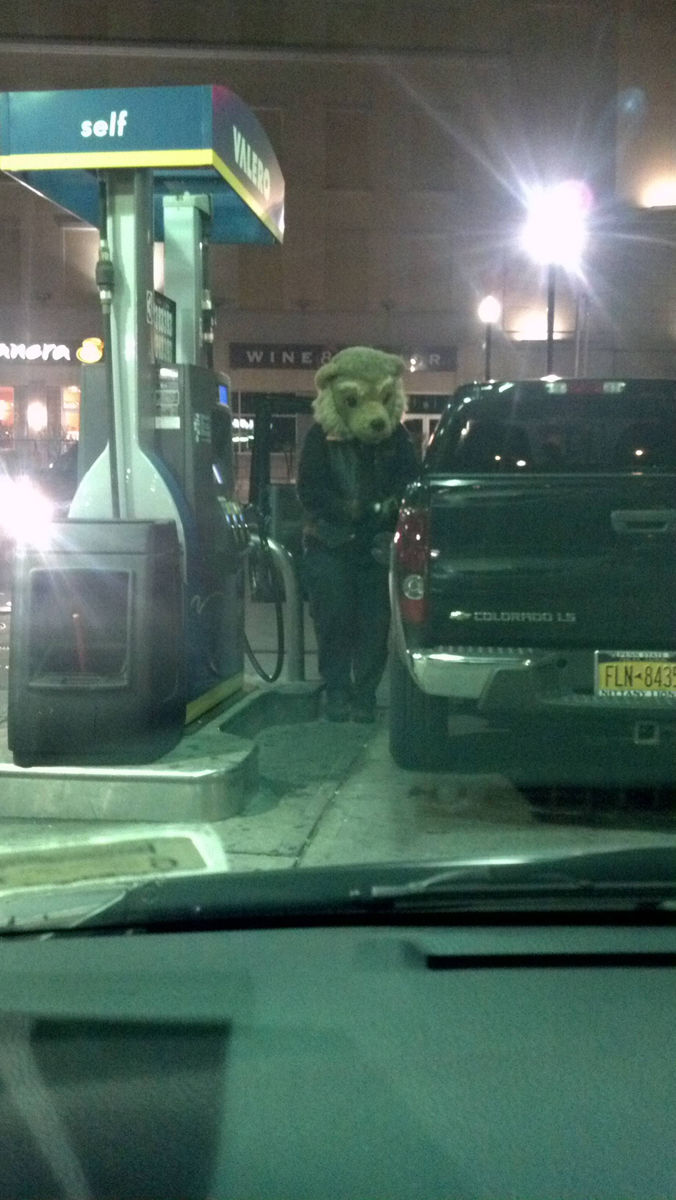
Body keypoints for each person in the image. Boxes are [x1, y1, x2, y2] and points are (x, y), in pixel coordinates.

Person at [297, 347, 419, 722]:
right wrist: (347, 510)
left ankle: (363, 694)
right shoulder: (321, 437)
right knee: (333, 618)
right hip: (332, 543)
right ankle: (337, 690)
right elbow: (309, 489)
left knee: (374, 623)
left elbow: (412, 482)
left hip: (378, 547)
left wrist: (389, 506)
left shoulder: (397, 439)